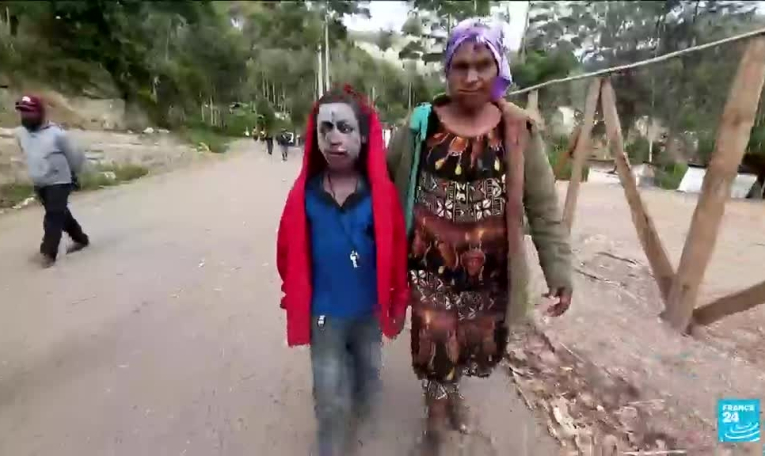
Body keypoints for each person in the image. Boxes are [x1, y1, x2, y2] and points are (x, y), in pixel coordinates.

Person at [386, 18, 573, 449]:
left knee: (475, 345)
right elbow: (381, 181)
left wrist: (559, 271)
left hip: (490, 274)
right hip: (429, 267)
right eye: (461, 66)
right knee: (435, 342)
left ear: (498, 68)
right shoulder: (420, 126)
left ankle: (451, 391)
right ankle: (435, 418)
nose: (471, 77)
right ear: (447, 70)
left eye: (482, 65)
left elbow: (544, 208)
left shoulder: (519, 130)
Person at [276, 87, 409, 456]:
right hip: (324, 315)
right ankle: (331, 444)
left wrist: (398, 299)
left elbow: (397, 253)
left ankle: (360, 410)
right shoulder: (303, 196)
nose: (334, 137)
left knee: (368, 373)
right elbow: (286, 251)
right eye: (326, 129)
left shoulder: (382, 196)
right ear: (315, 136)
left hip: (368, 313)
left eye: (345, 128)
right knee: (329, 391)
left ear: (364, 136)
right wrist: (294, 294)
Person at [14, 95, 90, 268]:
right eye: (23, 112)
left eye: (30, 113)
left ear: (40, 113)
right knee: (60, 213)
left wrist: (75, 175)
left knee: (53, 216)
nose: (25, 116)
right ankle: (80, 239)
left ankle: (48, 252)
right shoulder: (20, 133)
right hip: (40, 182)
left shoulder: (58, 135)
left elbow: (75, 157)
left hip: (59, 181)